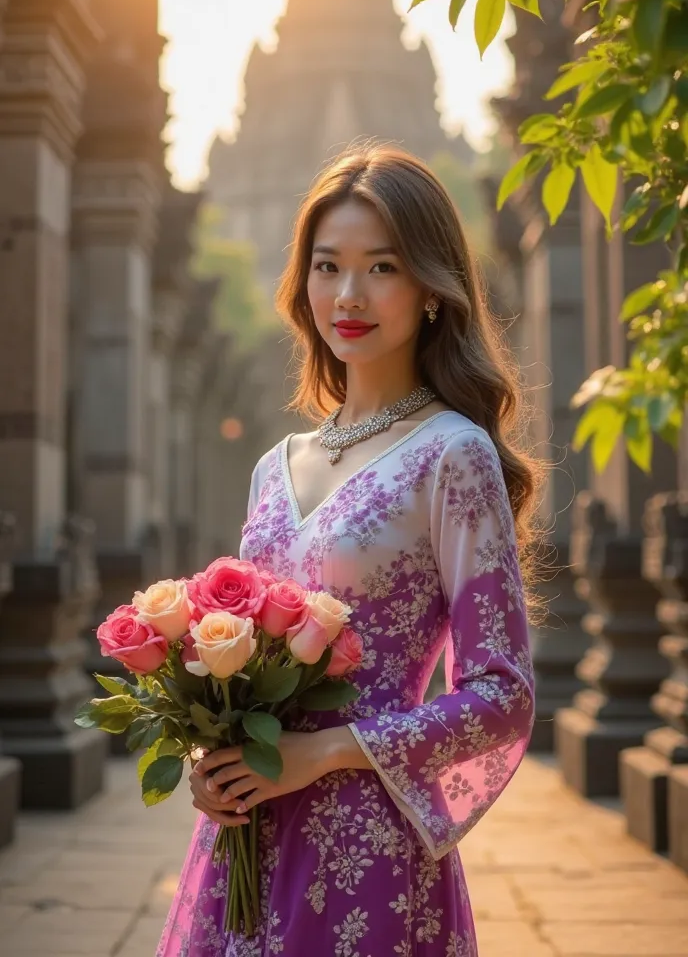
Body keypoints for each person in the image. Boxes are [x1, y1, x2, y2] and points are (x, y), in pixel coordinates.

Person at [157, 145, 539, 957]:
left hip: (366, 848)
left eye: (383, 267)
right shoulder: (275, 467)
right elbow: (241, 659)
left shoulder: (452, 455)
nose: (350, 295)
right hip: (244, 844)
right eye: (328, 267)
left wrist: (323, 754)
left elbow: (503, 694)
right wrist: (212, 758)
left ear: (432, 291)